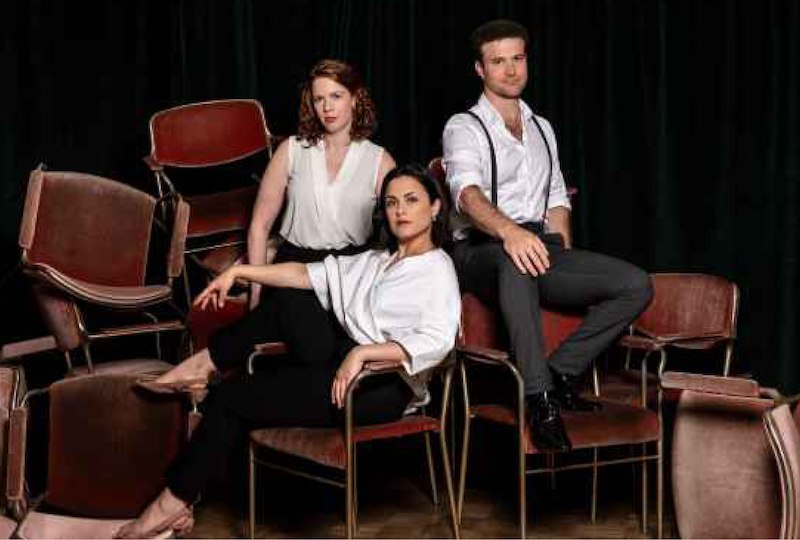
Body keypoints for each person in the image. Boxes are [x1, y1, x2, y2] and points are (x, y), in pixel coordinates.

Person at [113, 165, 461, 539]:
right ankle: (206, 363)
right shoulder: (377, 260)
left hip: (380, 385)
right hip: (340, 362)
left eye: (411, 200)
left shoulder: (437, 269)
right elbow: (303, 273)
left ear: (435, 208)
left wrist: (363, 354)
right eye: (391, 202)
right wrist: (240, 274)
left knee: (232, 396)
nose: (400, 210)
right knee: (292, 299)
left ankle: (172, 504)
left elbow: (439, 340)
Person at [442, 19, 653, 452]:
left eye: (517, 58)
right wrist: (509, 232)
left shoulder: (542, 127)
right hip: (480, 249)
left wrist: (564, 261)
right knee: (514, 258)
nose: (511, 70)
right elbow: (466, 194)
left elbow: (556, 198)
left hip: (539, 244)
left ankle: (561, 373)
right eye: (498, 61)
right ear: (480, 69)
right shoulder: (464, 126)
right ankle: (539, 400)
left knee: (635, 284)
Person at [247, 58, 396, 309]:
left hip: (350, 269)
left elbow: (403, 228)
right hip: (293, 264)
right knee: (295, 320)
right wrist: (255, 295)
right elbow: (259, 226)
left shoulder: (379, 160)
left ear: (355, 98)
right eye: (319, 99)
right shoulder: (290, 150)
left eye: (336, 96)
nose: (327, 107)